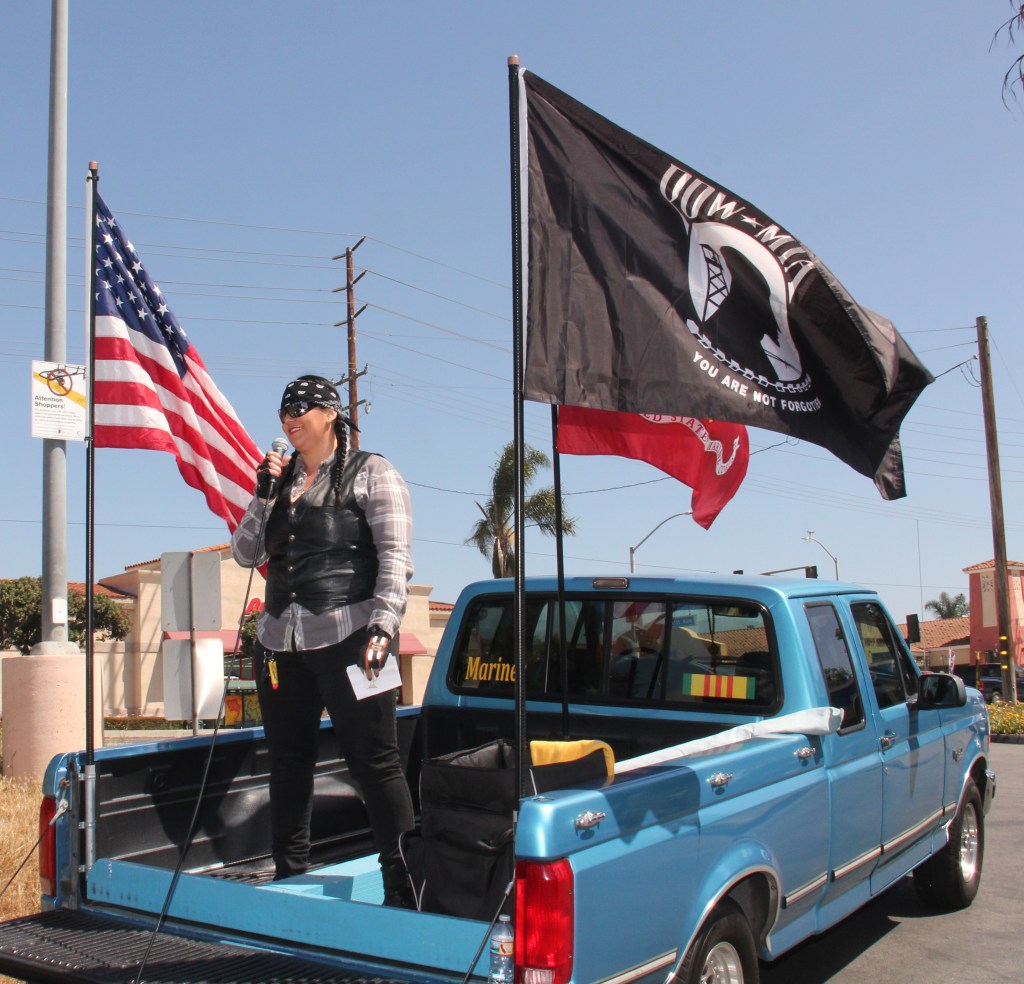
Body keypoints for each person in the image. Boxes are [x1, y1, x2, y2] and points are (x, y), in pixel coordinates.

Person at [231, 374, 415, 906]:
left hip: (352, 637)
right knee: (288, 761)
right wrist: (263, 495)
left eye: (303, 406)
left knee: (375, 763)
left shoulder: (372, 473)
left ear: (331, 413)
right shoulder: (279, 481)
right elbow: (245, 553)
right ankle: (291, 876)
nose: (291, 416)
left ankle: (403, 887)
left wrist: (383, 625)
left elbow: (396, 560)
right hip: (280, 644)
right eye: (284, 407)